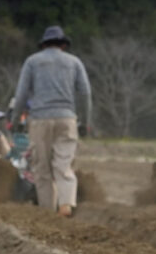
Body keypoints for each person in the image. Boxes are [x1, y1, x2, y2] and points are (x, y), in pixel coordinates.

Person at [8, 25, 93, 216]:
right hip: (66, 118)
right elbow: (86, 93)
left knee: (42, 168)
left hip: (40, 120)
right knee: (64, 165)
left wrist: (15, 120)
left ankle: (47, 212)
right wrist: (85, 122)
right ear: (63, 45)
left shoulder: (32, 62)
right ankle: (66, 204)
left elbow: (21, 95)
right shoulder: (74, 62)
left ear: (44, 45)